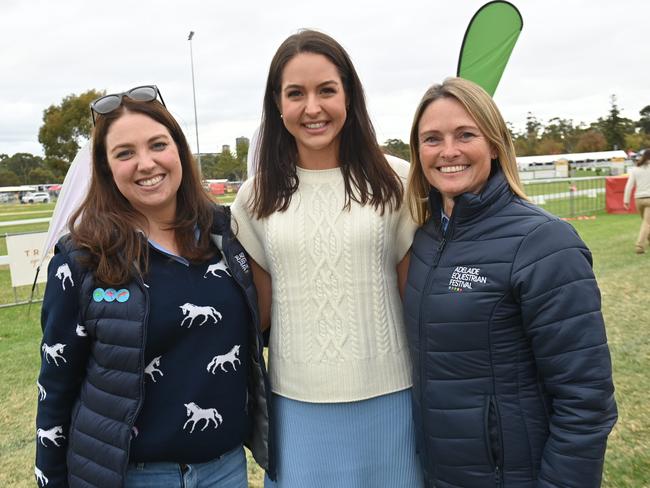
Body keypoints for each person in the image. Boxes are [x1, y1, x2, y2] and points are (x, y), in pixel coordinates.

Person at [34, 85, 274, 488]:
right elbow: (55, 390)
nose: (145, 163)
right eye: (124, 153)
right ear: (106, 168)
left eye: (157, 145)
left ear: (178, 150)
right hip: (133, 476)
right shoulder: (80, 262)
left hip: (225, 469)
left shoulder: (226, 237)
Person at [403, 77, 618, 488]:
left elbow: (585, 401)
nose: (448, 151)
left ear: (495, 144)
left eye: (466, 134)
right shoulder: (424, 239)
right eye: (432, 139)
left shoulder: (544, 242)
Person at [231, 30, 423, 487]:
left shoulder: (399, 182)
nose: (312, 108)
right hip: (296, 404)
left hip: (393, 398)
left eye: (326, 90)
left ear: (350, 96)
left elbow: (416, 300)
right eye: (295, 93)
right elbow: (256, 313)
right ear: (277, 105)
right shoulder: (254, 197)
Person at [623, 149, 650, 253]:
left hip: (638, 199)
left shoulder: (635, 169)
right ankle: (639, 246)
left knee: (646, 221)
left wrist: (626, 200)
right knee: (647, 222)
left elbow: (629, 186)